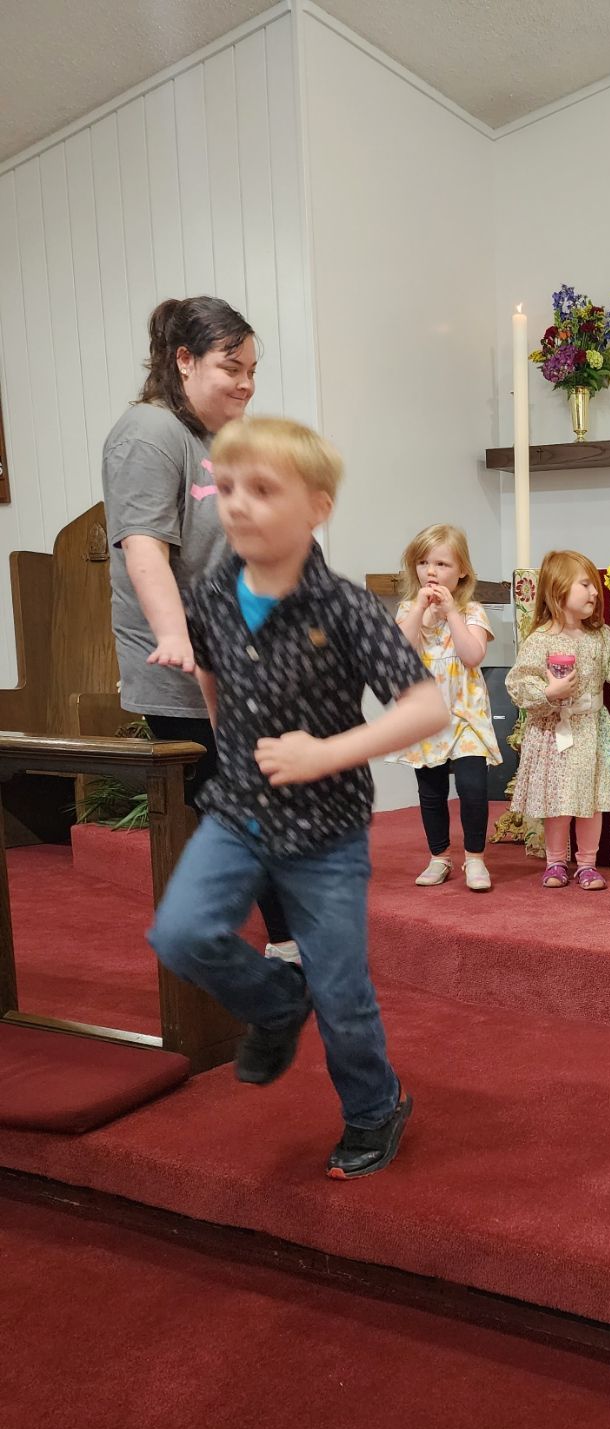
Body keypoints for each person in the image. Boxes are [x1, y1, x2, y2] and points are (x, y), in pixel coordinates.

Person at [148, 418, 448, 1180]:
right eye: (229, 488)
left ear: (317, 508)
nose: (240, 506)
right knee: (181, 933)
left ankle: (376, 1108)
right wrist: (231, 751)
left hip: (326, 832)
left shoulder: (343, 607)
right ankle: (279, 1004)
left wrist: (326, 753)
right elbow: (212, 677)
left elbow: (426, 707)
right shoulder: (212, 592)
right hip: (239, 813)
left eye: (264, 490)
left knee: (344, 993)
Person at [102, 295, 296, 960]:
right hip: (186, 674)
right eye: (230, 367)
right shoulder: (148, 433)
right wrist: (175, 637)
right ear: (183, 361)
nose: (244, 383)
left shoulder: (215, 437)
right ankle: (280, 955)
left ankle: (290, 950)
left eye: (251, 370)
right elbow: (143, 546)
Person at [505, 550, 610, 890]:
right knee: (559, 800)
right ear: (557, 590)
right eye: (585, 585)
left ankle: (587, 863)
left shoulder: (599, 637)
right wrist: (549, 692)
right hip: (555, 730)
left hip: (591, 728)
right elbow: (518, 683)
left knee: (591, 800)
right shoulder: (540, 640)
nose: (594, 593)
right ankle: (555, 862)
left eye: (595, 587)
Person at [392, 524, 500, 892]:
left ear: (462, 571)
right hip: (426, 715)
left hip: (466, 713)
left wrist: (452, 613)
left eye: (441, 563)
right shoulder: (408, 609)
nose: (431, 572)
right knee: (431, 790)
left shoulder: (472, 610)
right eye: (423, 563)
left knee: (472, 786)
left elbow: (472, 656)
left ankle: (475, 858)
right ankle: (439, 856)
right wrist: (420, 608)